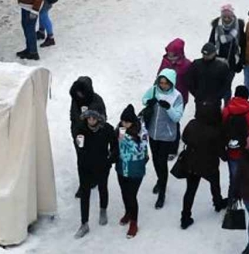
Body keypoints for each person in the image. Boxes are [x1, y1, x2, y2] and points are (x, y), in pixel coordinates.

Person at [141, 69, 184, 209]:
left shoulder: (177, 96)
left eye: (166, 83)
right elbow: (144, 99)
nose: (163, 85)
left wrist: (168, 108)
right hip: (153, 133)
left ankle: (162, 192)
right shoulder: (154, 90)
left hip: (166, 135)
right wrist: (149, 101)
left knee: (162, 162)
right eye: (161, 82)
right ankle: (160, 180)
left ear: (172, 83)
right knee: (155, 160)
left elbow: (177, 117)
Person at [176, 106, 225, 229]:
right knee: (214, 183)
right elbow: (220, 151)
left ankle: (185, 217)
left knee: (190, 191)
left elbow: (184, 138)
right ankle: (217, 202)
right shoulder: (215, 130)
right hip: (209, 164)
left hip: (192, 162)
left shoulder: (192, 124)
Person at [73, 105, 116, 237]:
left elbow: (115, 146)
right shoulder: (81, 129)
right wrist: (81, 148)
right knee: (85, 193)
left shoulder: (107, 129)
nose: (91, 120)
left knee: (103, 187)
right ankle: (84, 223)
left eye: (94, 118)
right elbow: (79, 146)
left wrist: (110, 160)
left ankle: (103, 209)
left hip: (102, 165)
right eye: (89, 118)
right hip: (85, 166)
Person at [116, 105, 148, 238]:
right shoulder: (119, 129)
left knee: (131, 195)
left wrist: (125, 139)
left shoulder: (141, 131)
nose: (124, 124)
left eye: (127, 122)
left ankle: (134, 223)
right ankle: (128, 212)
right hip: (122, 167)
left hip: (135, 169)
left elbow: (140, 149)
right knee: (124, 192)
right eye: (122, 121)